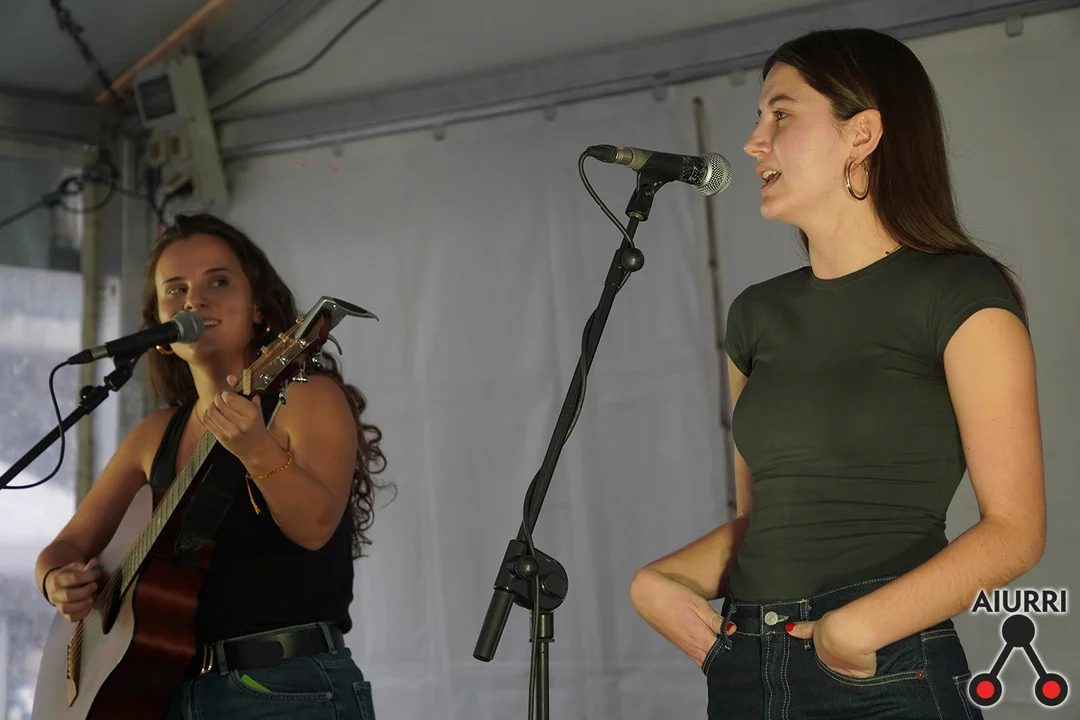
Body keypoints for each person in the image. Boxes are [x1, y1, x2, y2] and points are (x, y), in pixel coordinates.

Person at [630, 28, 1045, 719]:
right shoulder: (756, 314)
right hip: (746, 666)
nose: (754, 142)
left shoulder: (960, 293)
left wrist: (855, 629)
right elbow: (765, 520)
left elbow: (1015, 530)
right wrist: (656, 584)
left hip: (879, 668)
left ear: (863, 134)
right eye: (760, 118)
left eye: (781, 114)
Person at [34, 213, 389, 719]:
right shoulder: (155, 433)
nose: (194, 301)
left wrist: (256, 449)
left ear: (259, 308)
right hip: (166, 694)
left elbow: (314, 528)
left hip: (287, 689)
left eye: (218, 282)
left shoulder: (306, 397)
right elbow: (63, 549)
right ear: (160, 331)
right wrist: (56, 581)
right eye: (175, 290)